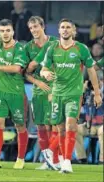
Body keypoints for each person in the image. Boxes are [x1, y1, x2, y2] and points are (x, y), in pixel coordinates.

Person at [40, 18, 102, 173]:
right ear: (59, 31)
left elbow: (91, 70)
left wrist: (97, 92)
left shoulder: (81, 49)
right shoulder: (52, 49)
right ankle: (58, 158)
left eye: (68, 27)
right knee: (60, 129)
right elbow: (43, 70)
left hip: (74, 94)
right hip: (57, 94)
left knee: (70, 125)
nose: (65, 29)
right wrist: (46, 74)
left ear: (73, 31)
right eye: (62, 27)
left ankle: (67, 161)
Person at [0, 19, 29, 169]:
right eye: (2, 31)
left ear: (13, 32)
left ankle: (20, 159)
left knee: (20, 126)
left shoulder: (19, 49)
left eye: (8, 30)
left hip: (16, 94)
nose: (5, 34)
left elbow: (16, 69)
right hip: (1, 93)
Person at [24, 16, 62, 170]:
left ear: (43, 26)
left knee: (56, 125)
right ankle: (47, 161)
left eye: (36, 27)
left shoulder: (54, 42)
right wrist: (37, 82)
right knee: (41, 127)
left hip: (55, 88)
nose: (34, 30)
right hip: (39, 90)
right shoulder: (28, 47)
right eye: (31, 28)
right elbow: (26, 72)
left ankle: (55, 158)